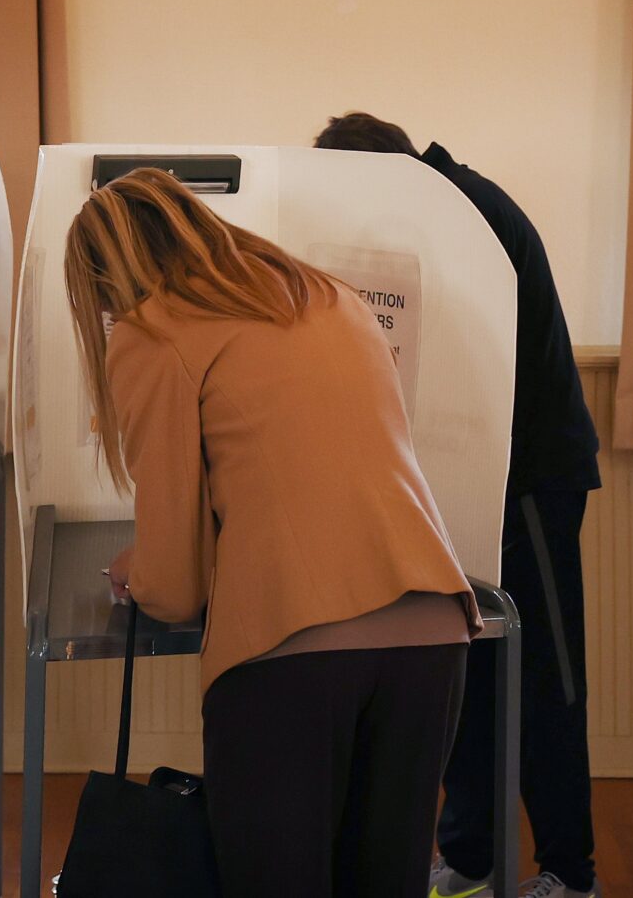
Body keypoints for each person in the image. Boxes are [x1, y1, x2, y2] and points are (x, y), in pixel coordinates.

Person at [69, 167, 477, 898]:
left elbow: (175, 586)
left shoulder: (152, 329)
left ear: (108, 282)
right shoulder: (325, 293)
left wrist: (139, 568)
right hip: (432, 628)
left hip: (294, 643)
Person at [315, 114, 603, 898]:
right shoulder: (441, 207)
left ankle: (571, 873)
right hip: (473, 482)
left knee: (544, 679)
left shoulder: (466, 214)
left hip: (532, 479)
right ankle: (474, 856)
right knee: (467, 671)